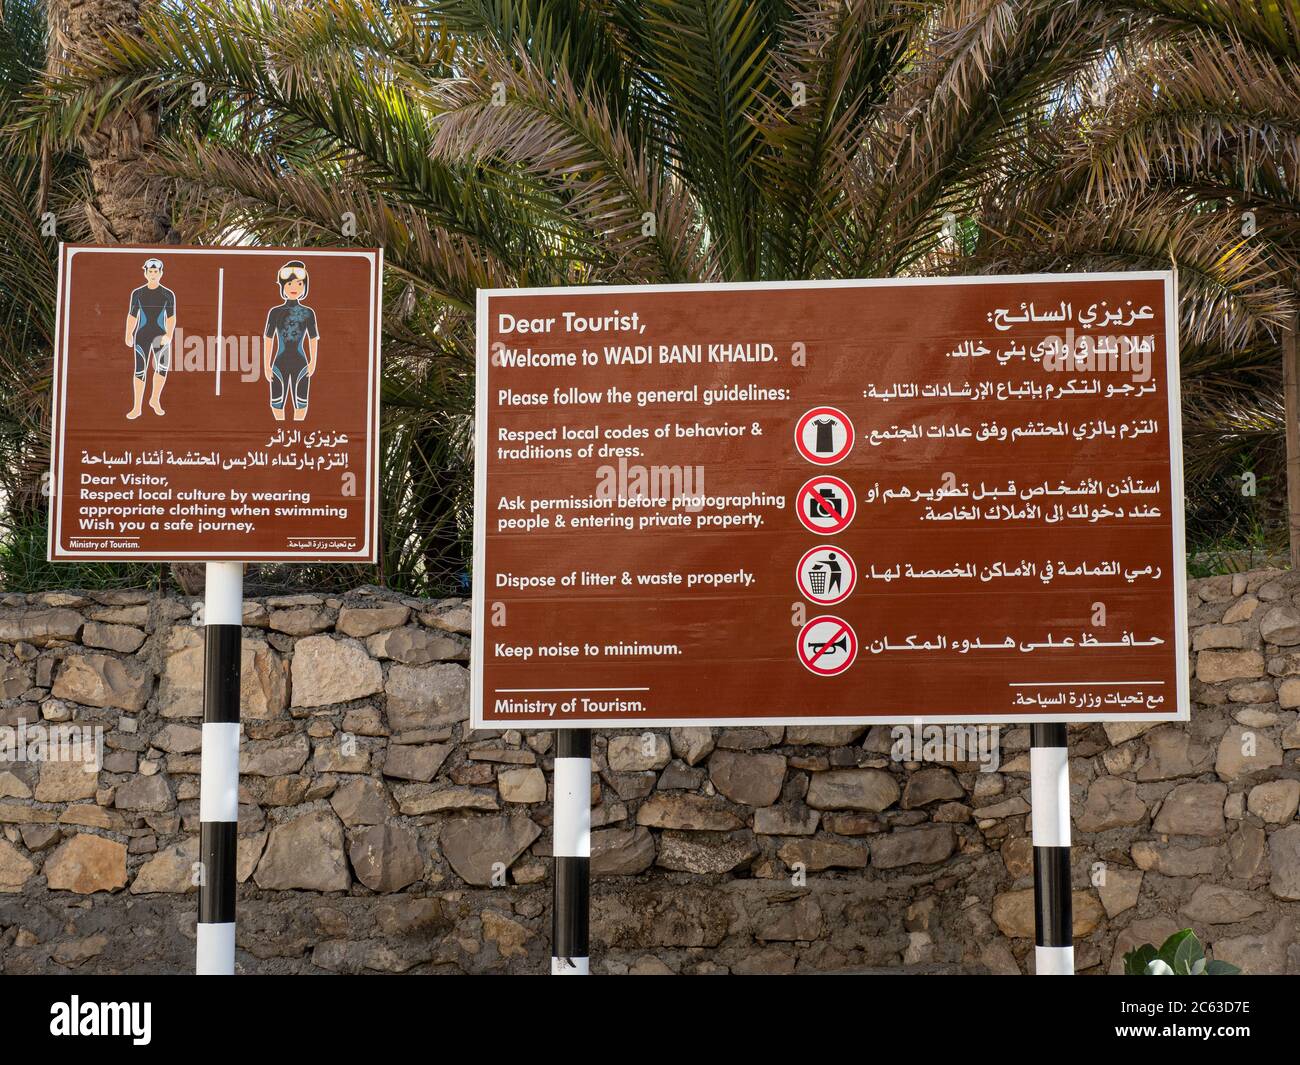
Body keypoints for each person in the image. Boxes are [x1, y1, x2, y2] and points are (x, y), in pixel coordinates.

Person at [262, 261, 319, 421]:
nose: (294, 287)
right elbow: (268, 338)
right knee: (276, 403)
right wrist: (266, 365)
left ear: (304, 287)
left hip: (301, 364)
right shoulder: (275, 312)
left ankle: (296, 437)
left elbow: (313, 338)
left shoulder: (308, 312)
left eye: (299, 283)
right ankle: (281, 435)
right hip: (279, 364)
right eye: (289, 283)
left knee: (301, 404)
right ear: (283, 286)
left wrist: (313, 361)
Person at [123, 258, 176, 419]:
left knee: (162, 368)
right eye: (150, 271)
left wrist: (169, 335)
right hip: (143, 336)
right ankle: (137, 407)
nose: (153, 274)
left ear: (161, 273)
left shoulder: (168, 294)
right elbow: (132, 316)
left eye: (156, 272)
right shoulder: (138, 293)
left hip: (161, 335)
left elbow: (171, 318)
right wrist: (128, 333)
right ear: (145, 273)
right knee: (140, 370)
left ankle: (154, 399)